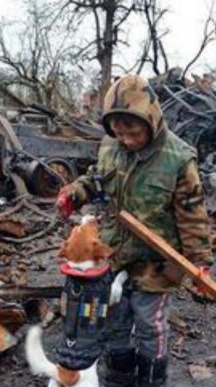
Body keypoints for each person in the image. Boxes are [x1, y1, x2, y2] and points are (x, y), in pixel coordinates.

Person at [56, 74, 213, 387]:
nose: (125, 139)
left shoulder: (179, 159)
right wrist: (74, 193)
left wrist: (199, 261)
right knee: (114, 321)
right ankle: (118, 379)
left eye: (133, 132)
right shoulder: (109, 147)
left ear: (151, 121)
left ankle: (153, 381)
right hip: (114, 254)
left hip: (157, 260)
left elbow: (192, 214)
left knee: (149, 326)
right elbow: (95, 178)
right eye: (118, 132)